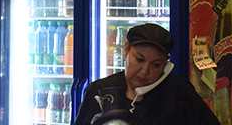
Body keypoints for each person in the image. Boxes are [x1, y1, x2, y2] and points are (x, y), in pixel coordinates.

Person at [73, 23, 219, 125]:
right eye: (139, 60)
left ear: (166, 66)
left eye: (156, 65)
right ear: (126, 50)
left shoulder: (179, 92)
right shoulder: (99, 89)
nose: (145, 71)